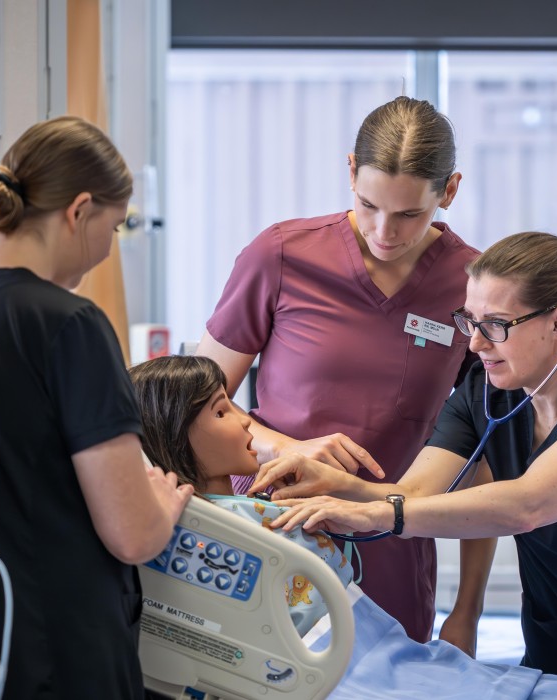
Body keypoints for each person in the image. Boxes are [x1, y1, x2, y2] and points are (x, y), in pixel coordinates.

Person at [250, 231, 557, 677]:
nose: (474, 343)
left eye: (496, 325)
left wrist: (367, 512)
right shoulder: (483, 393)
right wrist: (335, 487)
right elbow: (414, 494)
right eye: (469, 320)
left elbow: (528, 504)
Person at [195, 96, 483, 645]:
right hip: (268, 529)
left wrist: (467, 611)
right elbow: (193, 402)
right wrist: (285, 447)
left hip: (392, 547)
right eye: (368, 203)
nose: (384, 231)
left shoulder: (469, 283)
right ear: (351, 170)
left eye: (409, 214)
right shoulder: (280, 255)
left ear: (449, 191)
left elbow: (480, 454)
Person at [0, 116, 194, 699]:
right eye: (114, 226)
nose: (108, 248)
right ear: (80, 210)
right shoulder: (69, 323)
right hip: (61, 645)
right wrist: (163, 502)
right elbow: (133, 534)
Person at [127, 355, 354, 635]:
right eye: (221, 412)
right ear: (173, 438)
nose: (246, 421)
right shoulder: (205, 536)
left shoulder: (253, 511)